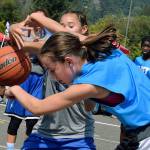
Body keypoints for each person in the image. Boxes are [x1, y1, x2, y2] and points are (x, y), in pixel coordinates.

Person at [5, 25, 150, 149]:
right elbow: (63, 32)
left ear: (68, 61)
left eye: (52, 69)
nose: (52, 75)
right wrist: (34, 19)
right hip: (136, 132)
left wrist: (13, 88)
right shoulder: (105, 51)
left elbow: (38, 107)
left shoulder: (89, 85)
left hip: (145, 135)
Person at [8, 11, 96, 150]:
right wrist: (13, 27)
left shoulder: (91, 60)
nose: (64, 29)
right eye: (60, 25)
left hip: (78, 136)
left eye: (70, 26)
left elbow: (89, 107)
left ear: (84, 29)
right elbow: (18, 39)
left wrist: (90, 95)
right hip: (44, 132)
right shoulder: (50, 49)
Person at [4, 55, 44, 150]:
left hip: (38, 79)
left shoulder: (47, 40)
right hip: (21, 75)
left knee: (31, 122)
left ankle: (27, 147)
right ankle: (10, 149)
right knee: (15, 121)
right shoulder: (19, 40)